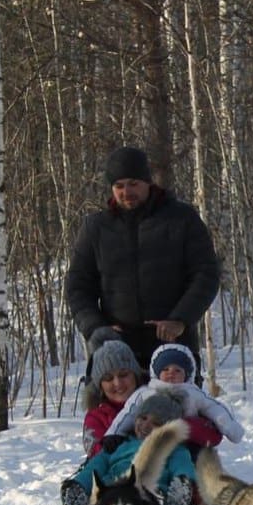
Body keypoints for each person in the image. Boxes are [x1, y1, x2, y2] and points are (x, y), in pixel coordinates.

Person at [64, 145, 221, 377]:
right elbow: (78, 286)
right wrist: (96, 328)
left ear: (148, 182)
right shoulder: (95, 228)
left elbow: (206, 274)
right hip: (116, 350)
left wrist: (180, 319)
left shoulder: (181, 219)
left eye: (133, 183)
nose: (126, 192)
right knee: (115, 414)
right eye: (119, 186)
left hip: (173, 346)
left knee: (174, 411)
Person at [61, 392, 199, 505]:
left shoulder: (174, 449)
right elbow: (94, 467)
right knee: (101, 502)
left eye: (157, 423)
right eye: (143, 418)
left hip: (150, 493)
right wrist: (80, 484)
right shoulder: (119, 445)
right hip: (111, 493)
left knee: (151, 503)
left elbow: (183, 466)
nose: (146, 425)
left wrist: (182, 481)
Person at [81, 339, 223, 459]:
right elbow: (96, 454)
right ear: (99, 385)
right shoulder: (96, 417)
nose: (117, 383)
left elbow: (213, 436)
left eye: (124, 375)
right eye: (108, 378)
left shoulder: (168, 396)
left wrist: (176, 426)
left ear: (135, 375)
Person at [105, 342, 243, 445]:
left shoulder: (193, 393)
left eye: (177, 370)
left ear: (187, 375)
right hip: (147, 440)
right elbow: (128, 413)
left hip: (185, 443)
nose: (171, 373)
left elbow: (214, 409)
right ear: (157, 373)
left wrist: (230, 427)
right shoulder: (145, 392)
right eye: (165, 369)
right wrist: (114, 434)